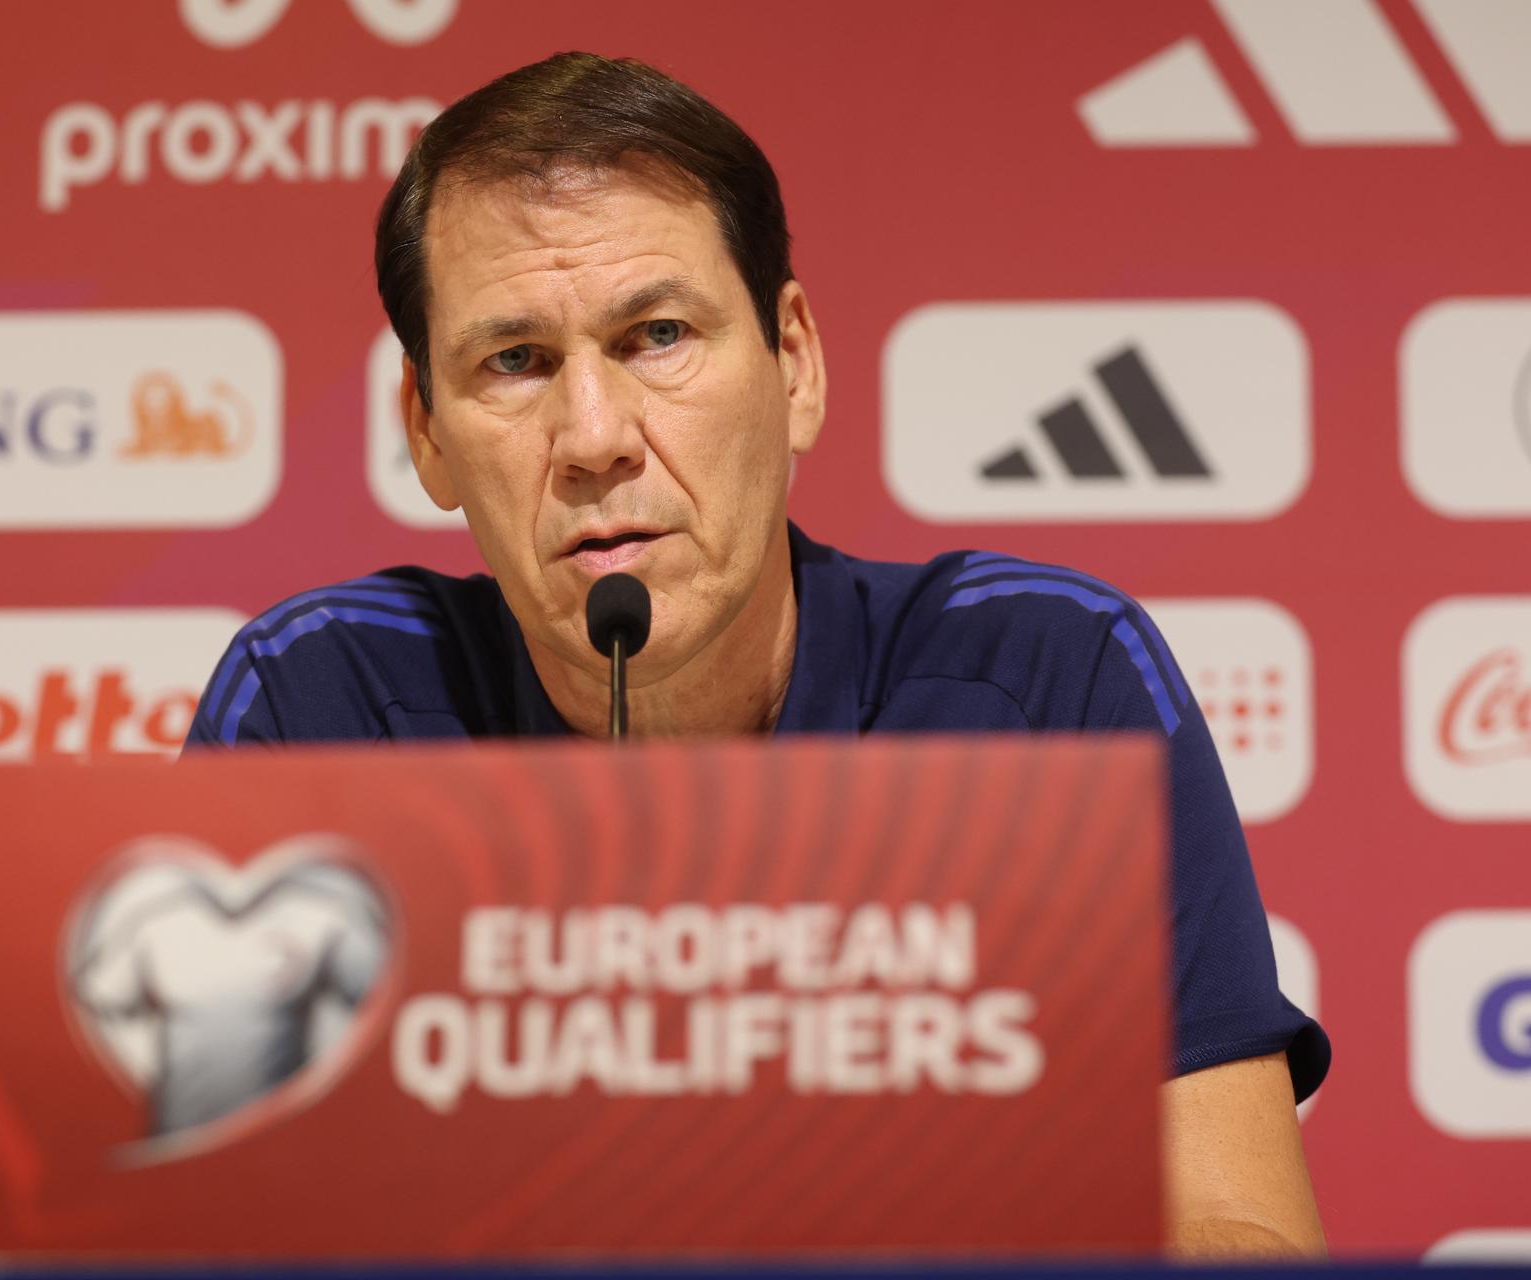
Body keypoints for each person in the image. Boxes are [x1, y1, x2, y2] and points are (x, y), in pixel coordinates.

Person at [186, 52, 1328, 1256]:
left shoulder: (1045, 683)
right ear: (426, 432)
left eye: (657, 335)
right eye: (514, 361)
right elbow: (165, 1227)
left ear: (795, 361)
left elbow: (1245, 1229)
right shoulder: (322, 712)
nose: (593, 437)